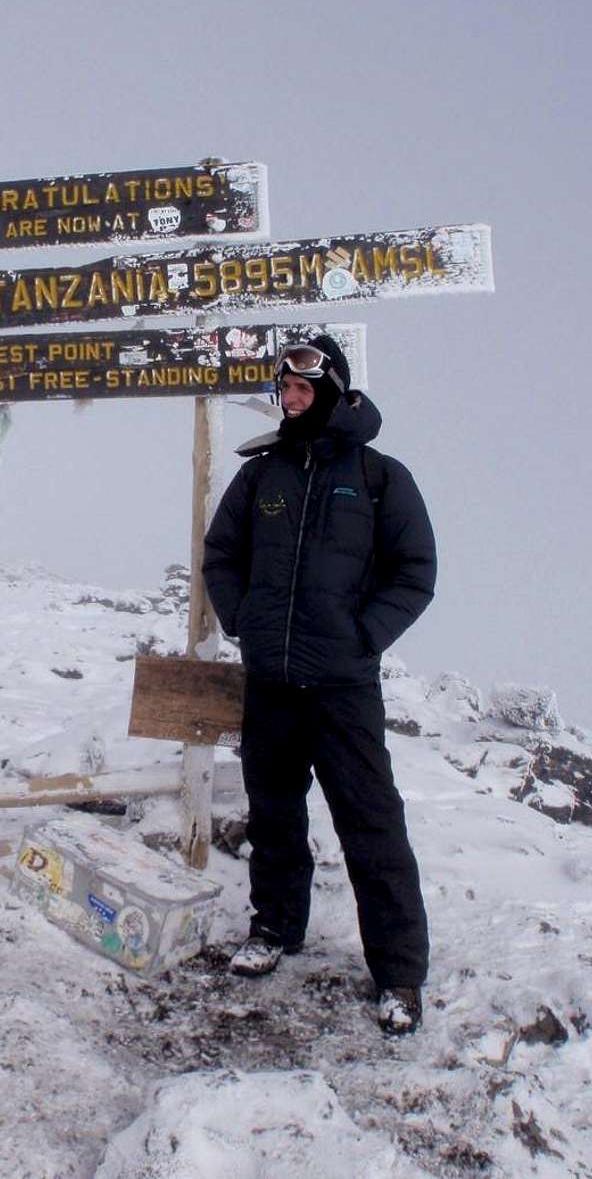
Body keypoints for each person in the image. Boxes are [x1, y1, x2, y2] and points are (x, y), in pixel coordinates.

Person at [202, 334, 436, 1035]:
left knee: (371, 822)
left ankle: (398, 973)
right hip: (271, 682)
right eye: (285, 390)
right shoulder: (261, 476)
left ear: (332, 388)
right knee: (275, 815)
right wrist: (242, 617)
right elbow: (222, 553)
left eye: (303, 388)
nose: (291, 398)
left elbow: (415, 571)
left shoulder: (379, 477)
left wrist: (363, 636)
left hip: (342, 688)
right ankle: (274, 928)